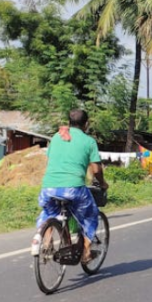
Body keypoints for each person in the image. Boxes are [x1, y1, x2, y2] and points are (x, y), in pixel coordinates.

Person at [35, 109, 109, 263]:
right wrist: (102, 183)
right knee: (90, 215)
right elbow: (96, 169)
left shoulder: (56, 137)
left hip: (48, 188)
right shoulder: (89, 141)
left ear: (69, 122)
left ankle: (47, 241)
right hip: (73, 189)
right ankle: (86, 253)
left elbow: (49, 163)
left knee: (50, 212)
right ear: (86, 124)